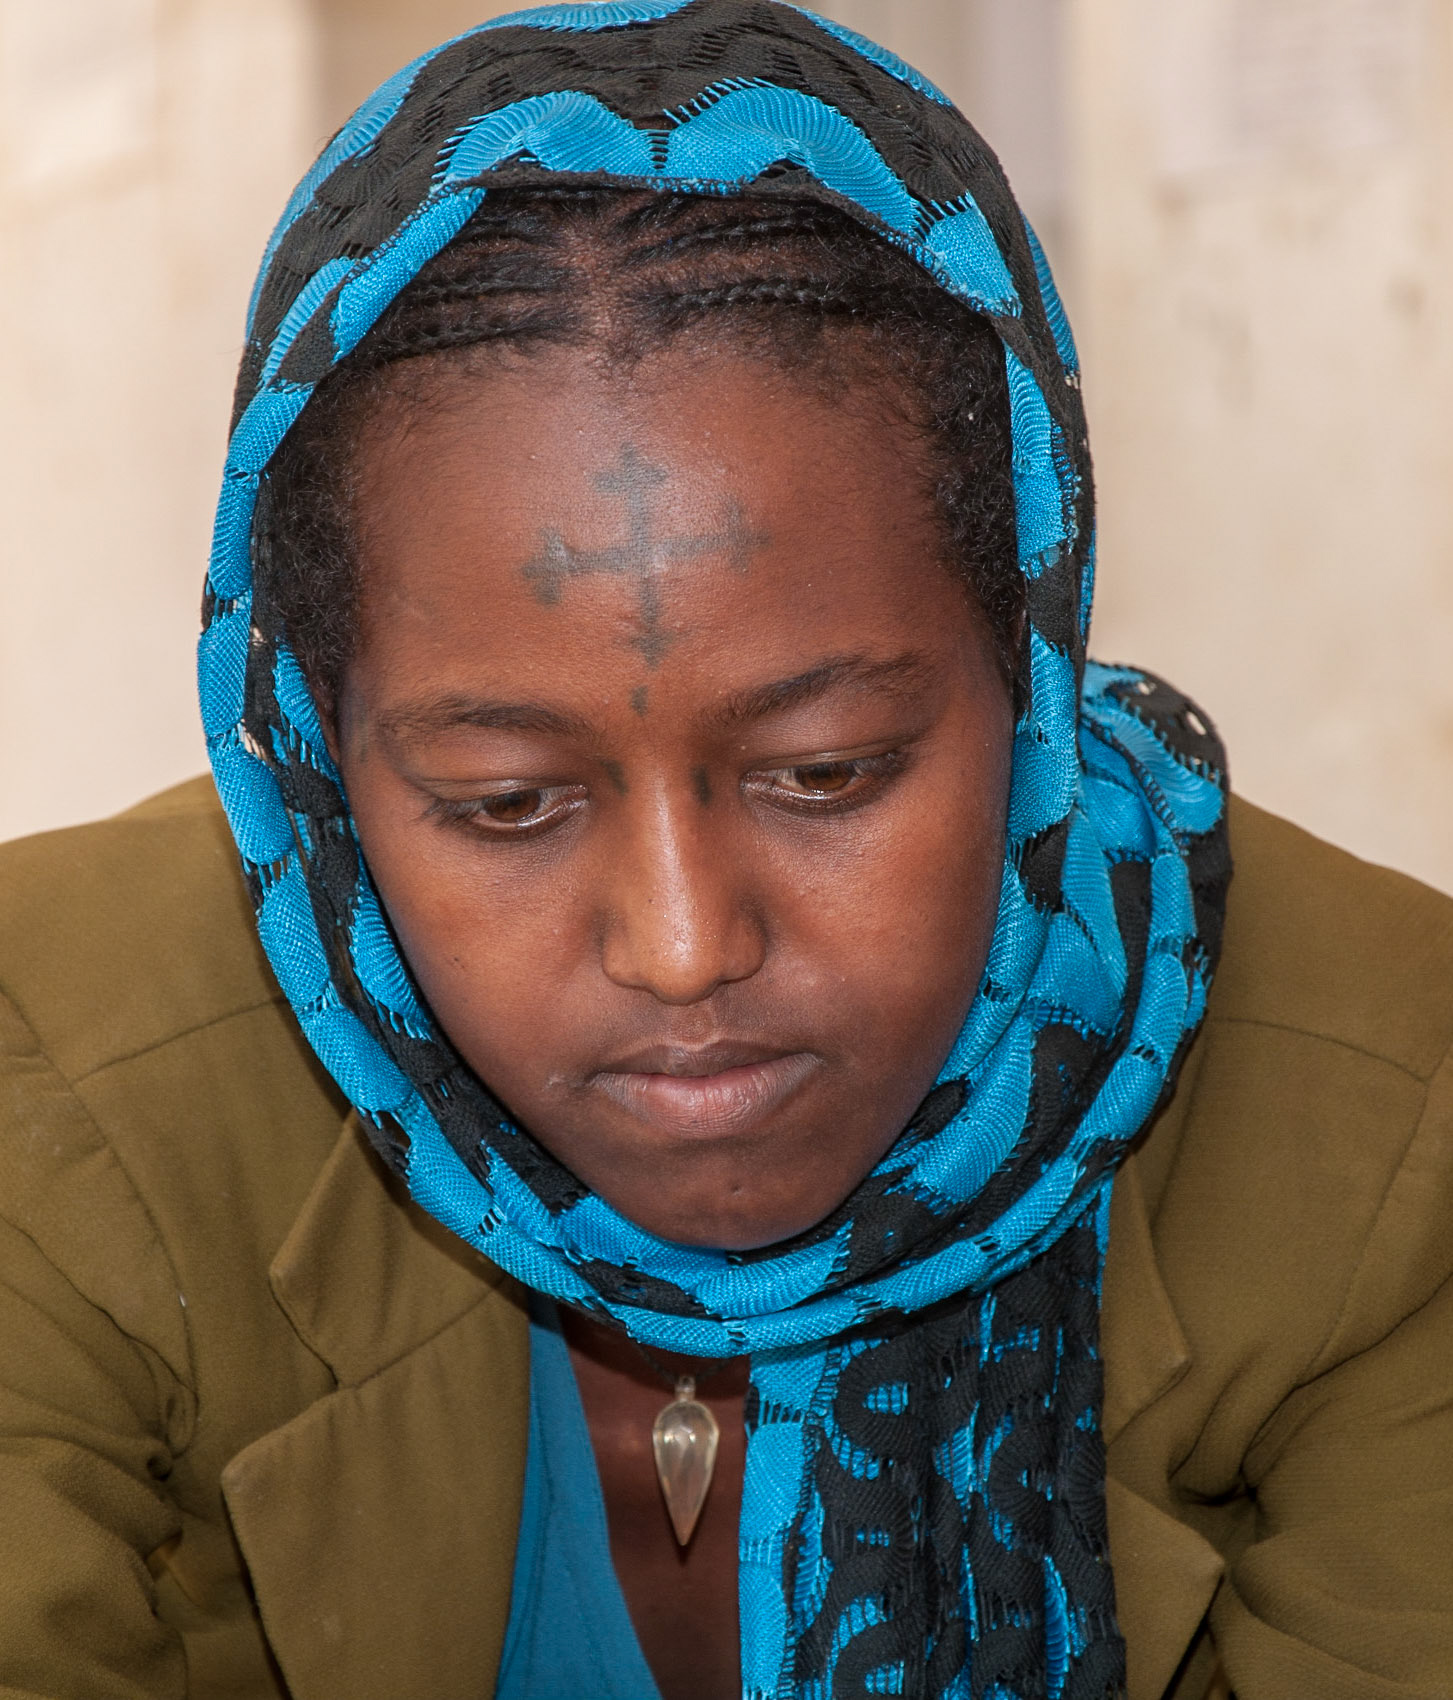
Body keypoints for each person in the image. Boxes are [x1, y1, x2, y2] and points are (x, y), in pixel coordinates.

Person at [0, 3, 1449, 1697]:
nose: (684, 949)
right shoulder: (56, 1100)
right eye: (505, 802)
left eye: (825, 772)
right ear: (320, 762)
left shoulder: (1387, 1132)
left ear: (1031, 680)